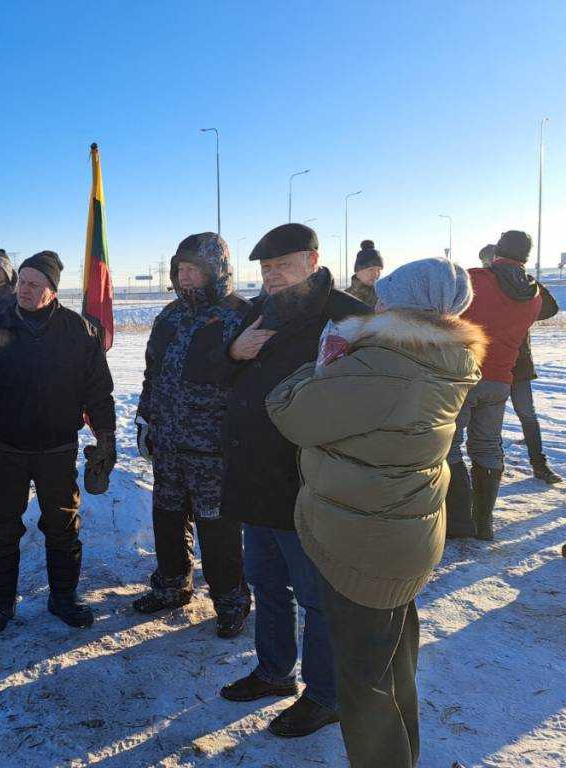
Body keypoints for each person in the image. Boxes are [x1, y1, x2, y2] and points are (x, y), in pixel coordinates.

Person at [266, 258, 483, 768]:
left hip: (363, 541)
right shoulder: (440, 355)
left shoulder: (387, 363)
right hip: (399, 533)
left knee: (364, 682)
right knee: (393, 666)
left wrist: (320, 363)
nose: (376, 303)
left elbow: (290, 411)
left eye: (386, 296)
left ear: (406, 305)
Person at [216, 223, 370, 739]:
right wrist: (233, 353)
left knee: (317, 596)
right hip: (255, 477)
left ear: (312, 260)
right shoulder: (258, 311)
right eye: (265, 268)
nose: (272, 276)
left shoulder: (347, 315)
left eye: (282, 265)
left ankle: (326, 695)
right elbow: (212, 373)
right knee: (266, 583)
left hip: (308, 481)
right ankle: (273, 670)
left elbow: (365, 399)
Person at [0, 251, 116, 632]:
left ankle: (63, 596)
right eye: (22, 282)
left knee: (63, 526)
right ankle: (0, 601)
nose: (25, 289)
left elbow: (98, 392)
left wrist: (106, 437)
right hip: (5, 449)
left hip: (57, 449)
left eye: (35, 284)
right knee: (0, 527)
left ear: (52, 290)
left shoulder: (79, 332)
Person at [132, 232, 252, 637]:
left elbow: (250, 383)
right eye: (180, 269)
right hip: (168, 444)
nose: (184, 277)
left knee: (217, 528)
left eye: (193, 269)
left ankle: (231, 601)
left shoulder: (240, 315)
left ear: (217, 270)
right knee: (166, 517)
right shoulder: (169, 316)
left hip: (212, 449)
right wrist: (145, 418)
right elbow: (152, 373)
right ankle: (171, 586)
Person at [446, 231, 543, 540]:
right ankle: (484, 523)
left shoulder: (476, 279)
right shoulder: (534, 295)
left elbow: (447, 313)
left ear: (497, 251)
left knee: (449, 445)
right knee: (488, 446)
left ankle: (459, 521)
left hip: (464, 375)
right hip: (501, 380)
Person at [480, 244, 562, 483]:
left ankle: (539, 465)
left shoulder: (523, 288)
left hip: (519, 364)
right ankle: (492, 466)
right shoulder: (485, 287)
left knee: (527, 415)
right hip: (488, 365)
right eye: (487, 261)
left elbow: (550, 308)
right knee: (489, 419)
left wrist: (526, 278)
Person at [345, 239, 382, 308]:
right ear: (358, 272)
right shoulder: (344, 298)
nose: (376, 274)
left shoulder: (384, 297)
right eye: (371, 269)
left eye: (378, 270)